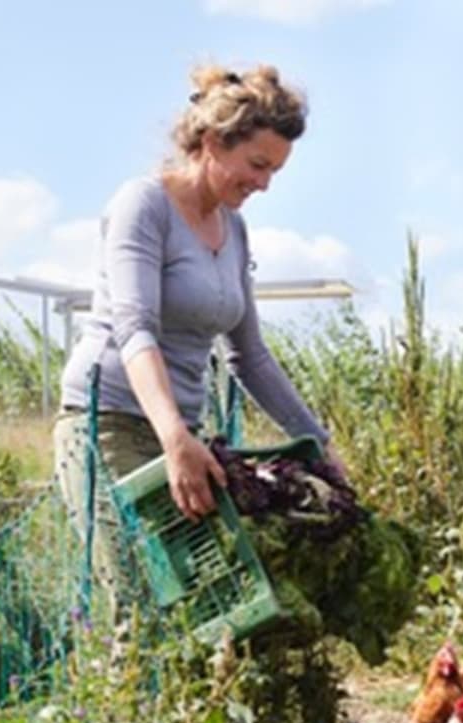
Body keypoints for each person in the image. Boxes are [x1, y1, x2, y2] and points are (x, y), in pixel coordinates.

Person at [53, 62, 339, 616]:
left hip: (182, 433)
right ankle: (121, 678)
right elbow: (134, 327)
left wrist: (317, 444)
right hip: (109, 424)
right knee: (138, 608)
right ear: (211, 142)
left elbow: (249, 356)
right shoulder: (144, 206)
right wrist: (174, 439)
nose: (264, 183)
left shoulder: (234, 227)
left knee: (205, 605)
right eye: (257, 164)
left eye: (275, 171)